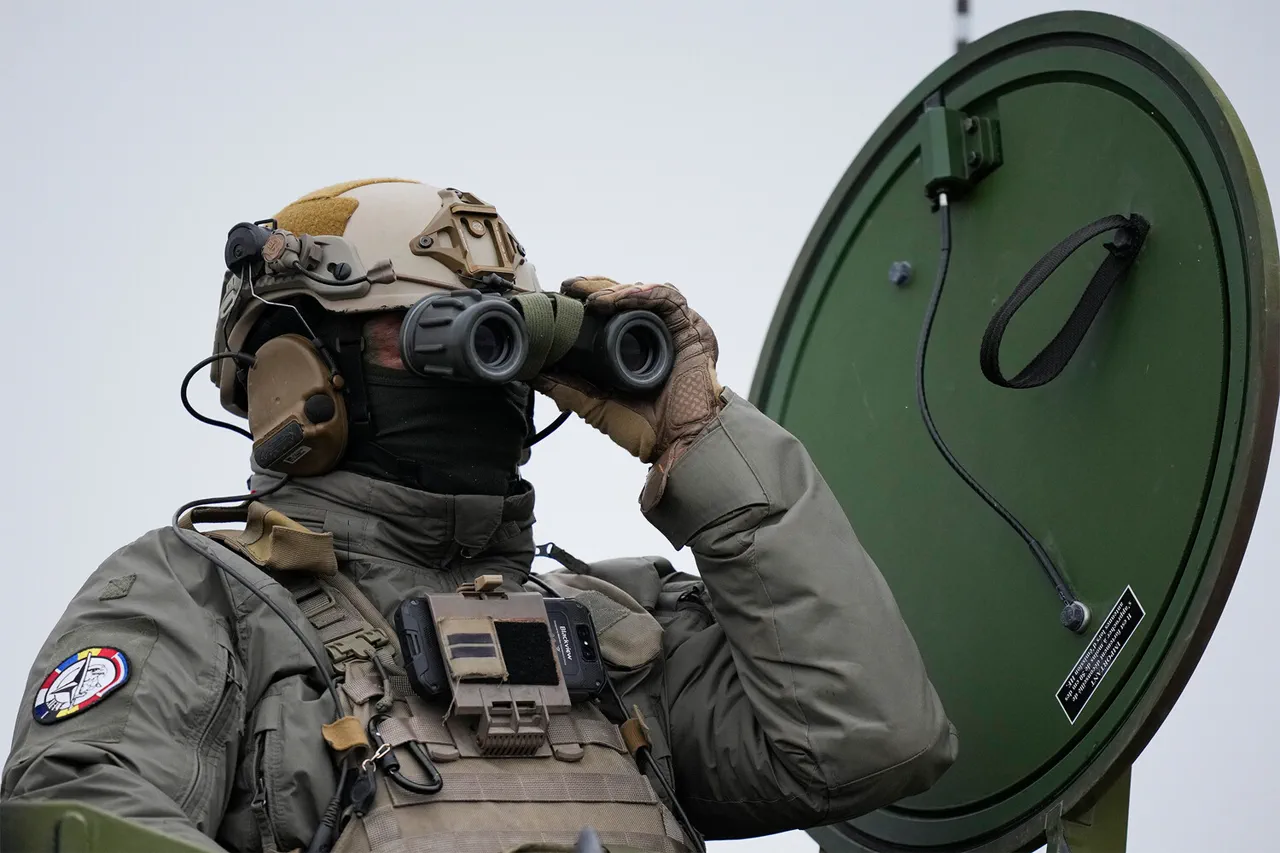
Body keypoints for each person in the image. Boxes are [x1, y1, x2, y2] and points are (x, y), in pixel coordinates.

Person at [1, 179, 957, 853]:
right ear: (294, 372)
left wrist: (702, 438)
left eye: (503, 339)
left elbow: (874, 740)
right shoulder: (195, 599)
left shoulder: (615, 630)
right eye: (431, 331)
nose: (482, 380)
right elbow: (85, 816)